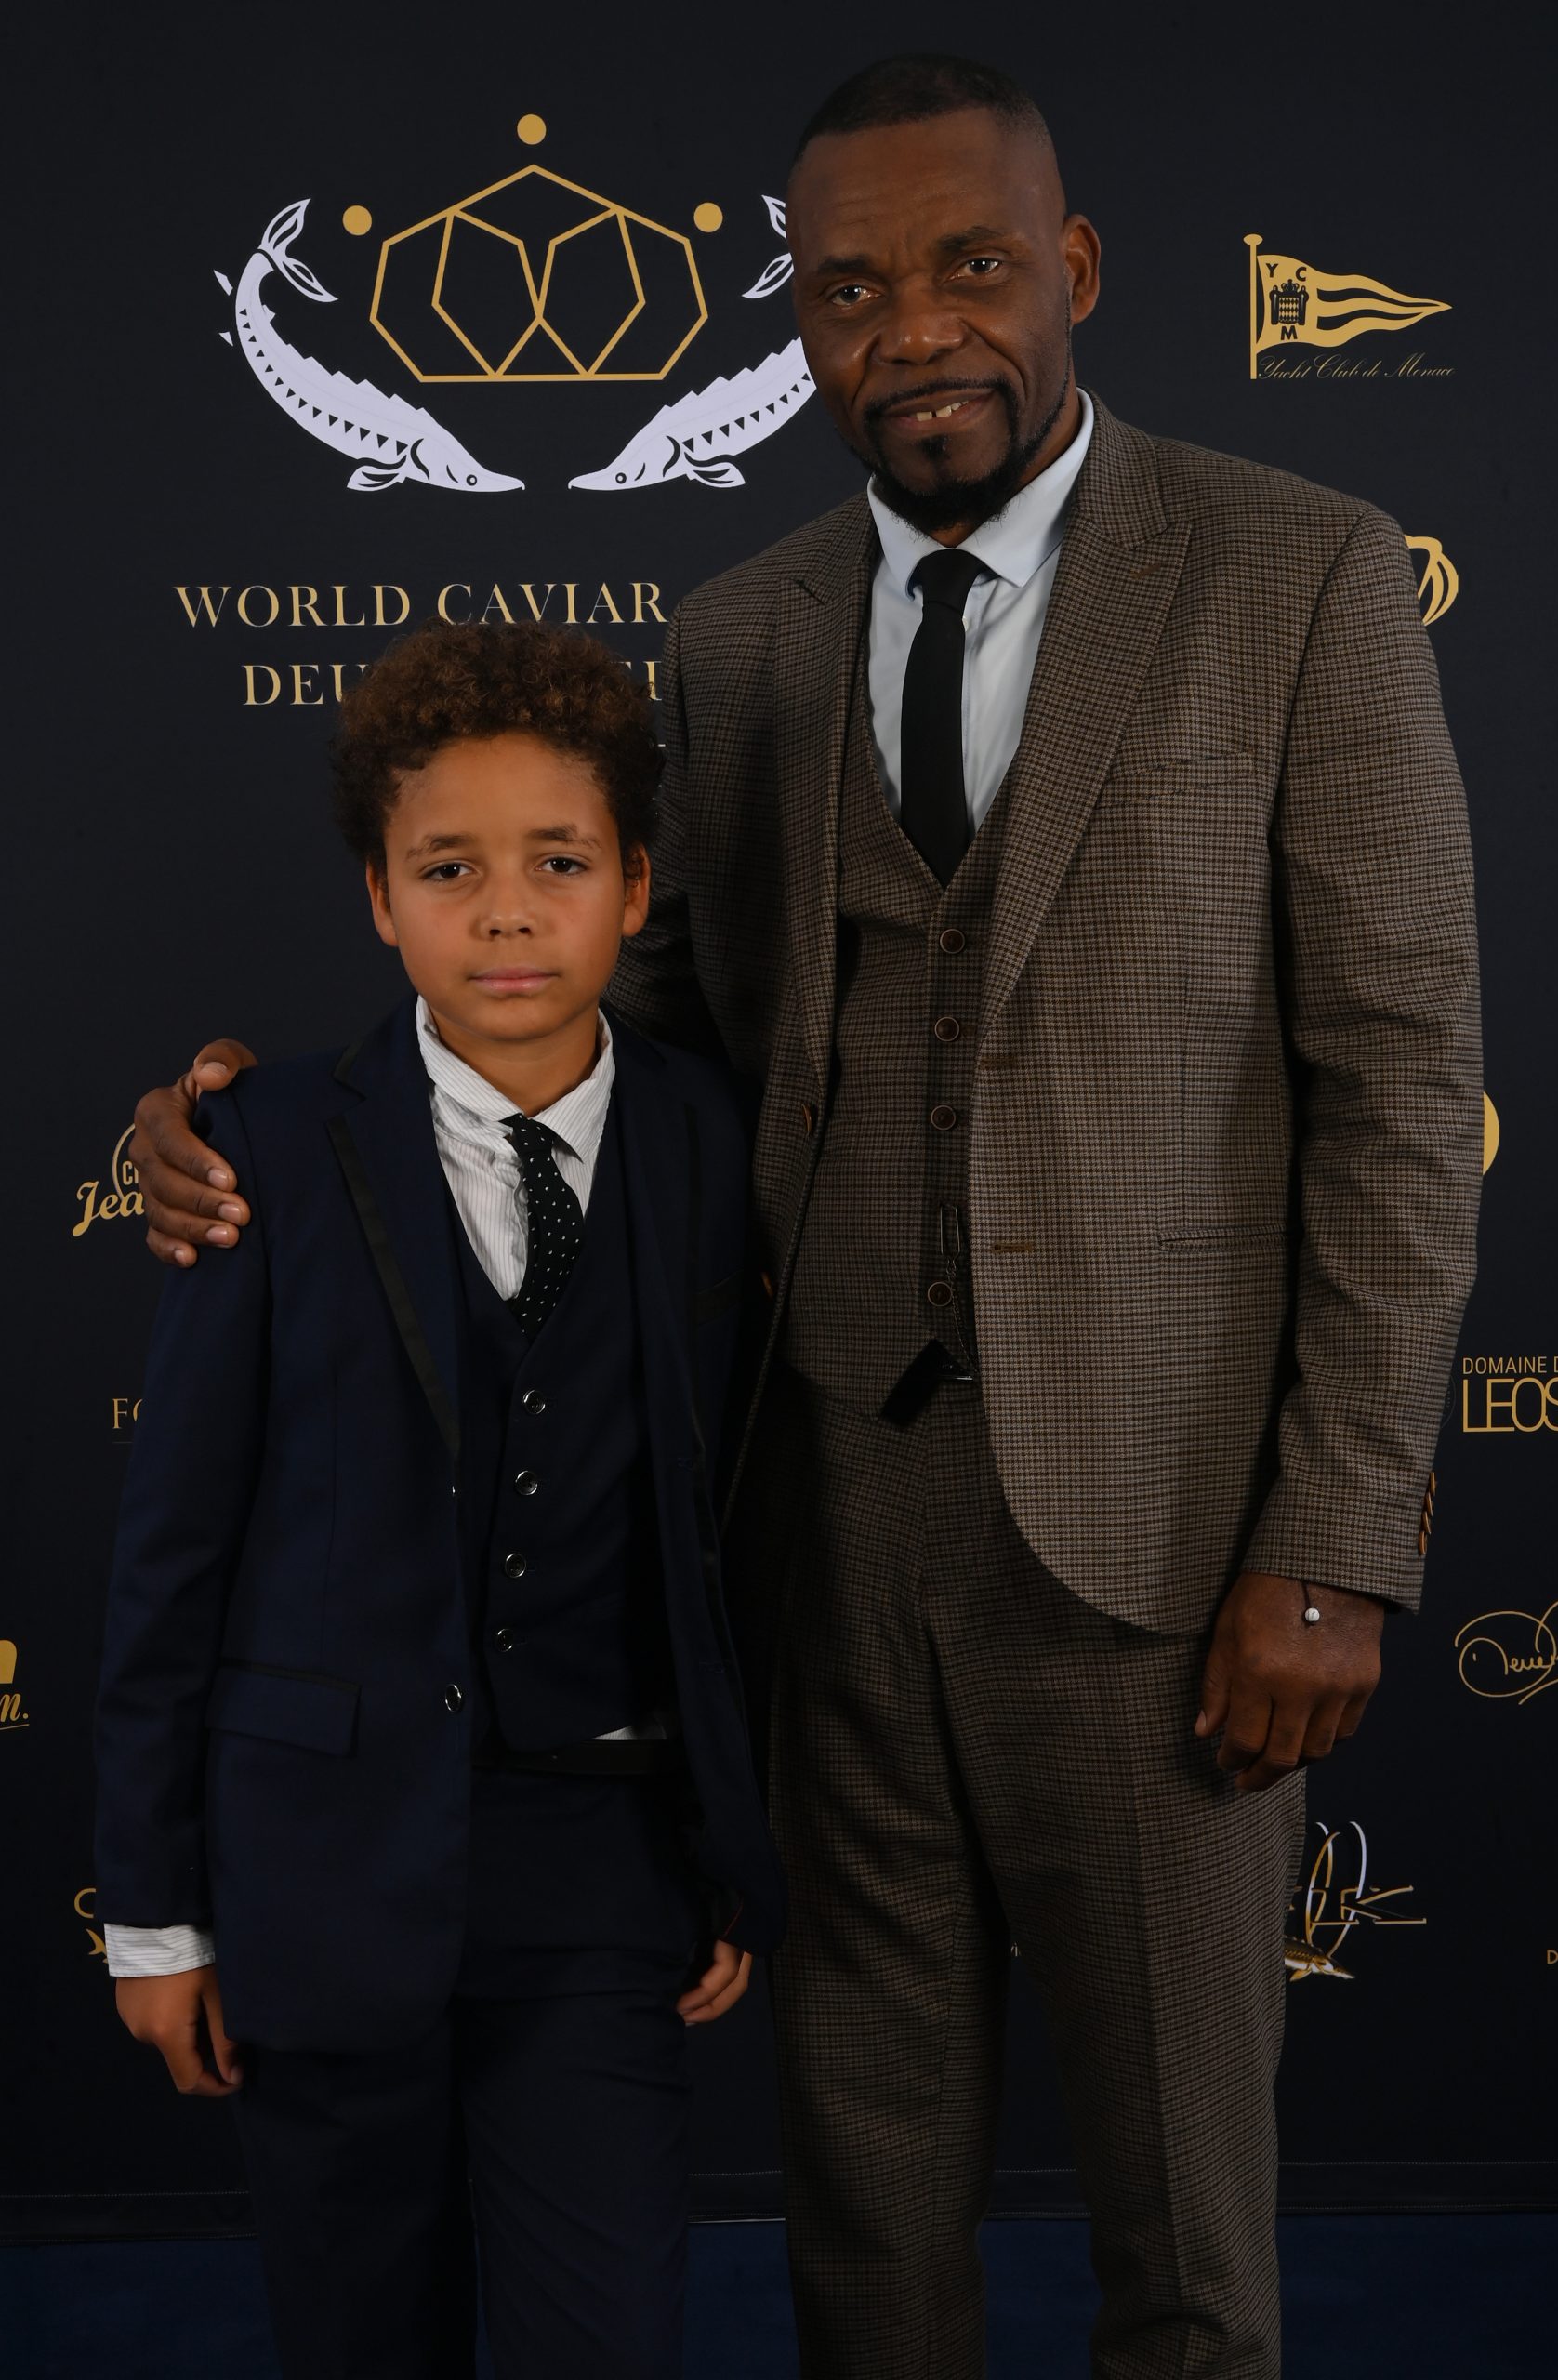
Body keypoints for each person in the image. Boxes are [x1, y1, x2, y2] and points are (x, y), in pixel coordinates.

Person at [129, 52, 1482, 2380]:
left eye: (968, 265)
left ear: (1069, 268)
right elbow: (604, 1028)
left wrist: (1334, 1535)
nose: (911, 327)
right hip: (812, 1557)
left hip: (1164, 1564)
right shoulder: (738, 633)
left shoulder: (1298, 571)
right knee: (865, 2221)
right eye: (849, 289)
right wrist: (250, 1116)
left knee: (1183, 2241)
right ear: (800, 326)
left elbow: (1393, 1089)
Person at [97, 619, 783, 2380]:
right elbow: (174, 1557)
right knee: (359, 2336)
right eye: (449, 869)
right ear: (379, 902)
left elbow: (746, 1526)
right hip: (319, 1870)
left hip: (605, 1867)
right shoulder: (259, 1148)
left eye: (560, 863)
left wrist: (733, 1842)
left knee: (604, 2336)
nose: (505, 914)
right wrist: (155, 1915)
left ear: (637, 889)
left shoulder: (720, 1139)